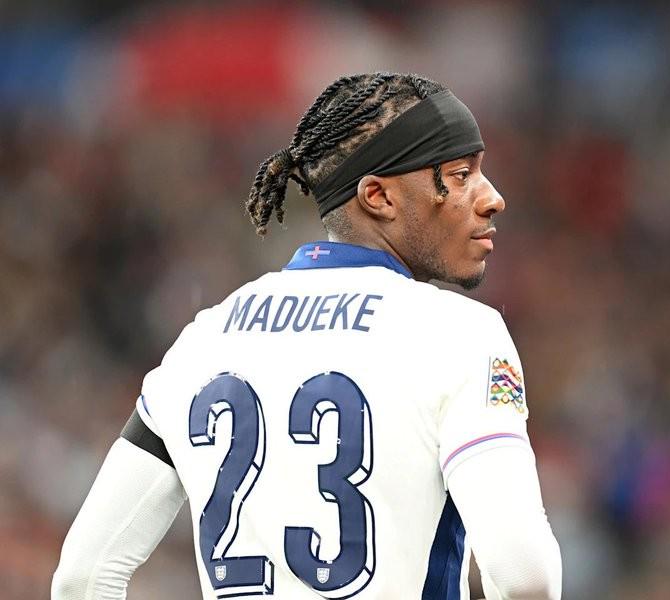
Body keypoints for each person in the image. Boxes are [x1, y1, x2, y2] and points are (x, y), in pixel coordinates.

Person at [51, 72, 562, 600]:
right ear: (378, 196)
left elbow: (82, 577)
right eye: (460, 175)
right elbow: (523, 574)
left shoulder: (201, 341)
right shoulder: (458, 334)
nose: (492, 198)